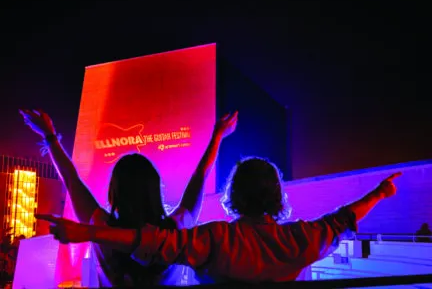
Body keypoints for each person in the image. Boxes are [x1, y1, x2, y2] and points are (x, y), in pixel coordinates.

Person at [38, 157, 401, 283]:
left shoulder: (213, 240)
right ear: (277, 197)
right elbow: (340, 221)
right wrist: (379, 193)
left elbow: (152, 243)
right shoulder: (301, 239)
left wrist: (86, 231)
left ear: (233, 197)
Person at [20, 109, 238, 286]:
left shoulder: (100, 227)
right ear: (155, 191)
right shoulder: (173, 232)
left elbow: (71, 179)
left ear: (113, 192)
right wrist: (217, 136)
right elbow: (200, 176)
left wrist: (50, 136)